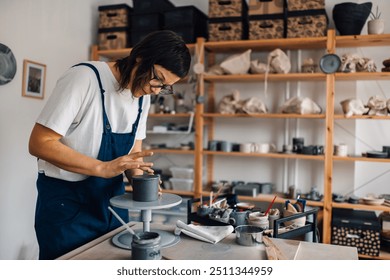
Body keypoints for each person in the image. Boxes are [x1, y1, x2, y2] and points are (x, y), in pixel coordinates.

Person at [28, 30, 191, 259]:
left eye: (165, 87)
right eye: (158, 79)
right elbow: (39, 143)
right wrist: (101, 168)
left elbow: (135, 152)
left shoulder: (143, 97)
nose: (156, 90)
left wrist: (144, 183)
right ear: (141, 58)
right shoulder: (85, 78)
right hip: (68, 206)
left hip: (112, 206)